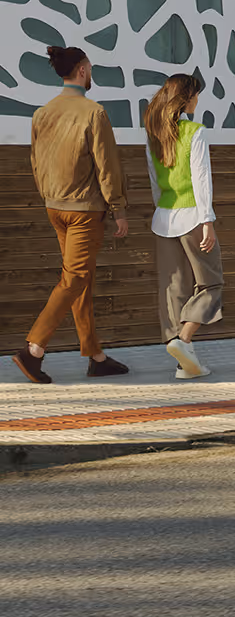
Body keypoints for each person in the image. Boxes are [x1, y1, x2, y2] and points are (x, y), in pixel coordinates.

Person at [13, 45, 130, 384]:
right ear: (81, 70)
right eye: (90, 68)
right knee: (74, 279)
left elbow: (36, 163)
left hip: (55, 207)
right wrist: (118, 208)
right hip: (83, 211)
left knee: (81, 279)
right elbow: (107, 166)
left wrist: (50, 195)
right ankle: (33, 350)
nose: (91, 74)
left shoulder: (42, 113)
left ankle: (96, 356)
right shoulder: (93, 112)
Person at [144, 75, 223, 378]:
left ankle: (183, 363)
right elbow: (202, 180)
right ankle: (184, 339)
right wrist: (208, 221)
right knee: (211, 283)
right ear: (187, 99)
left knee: (174, 291)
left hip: (163, 217)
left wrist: (161, 209)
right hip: (192, 218)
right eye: (196, 95)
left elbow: (154, 180)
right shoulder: (195, 132)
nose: (198, 100)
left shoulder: (153, 134)